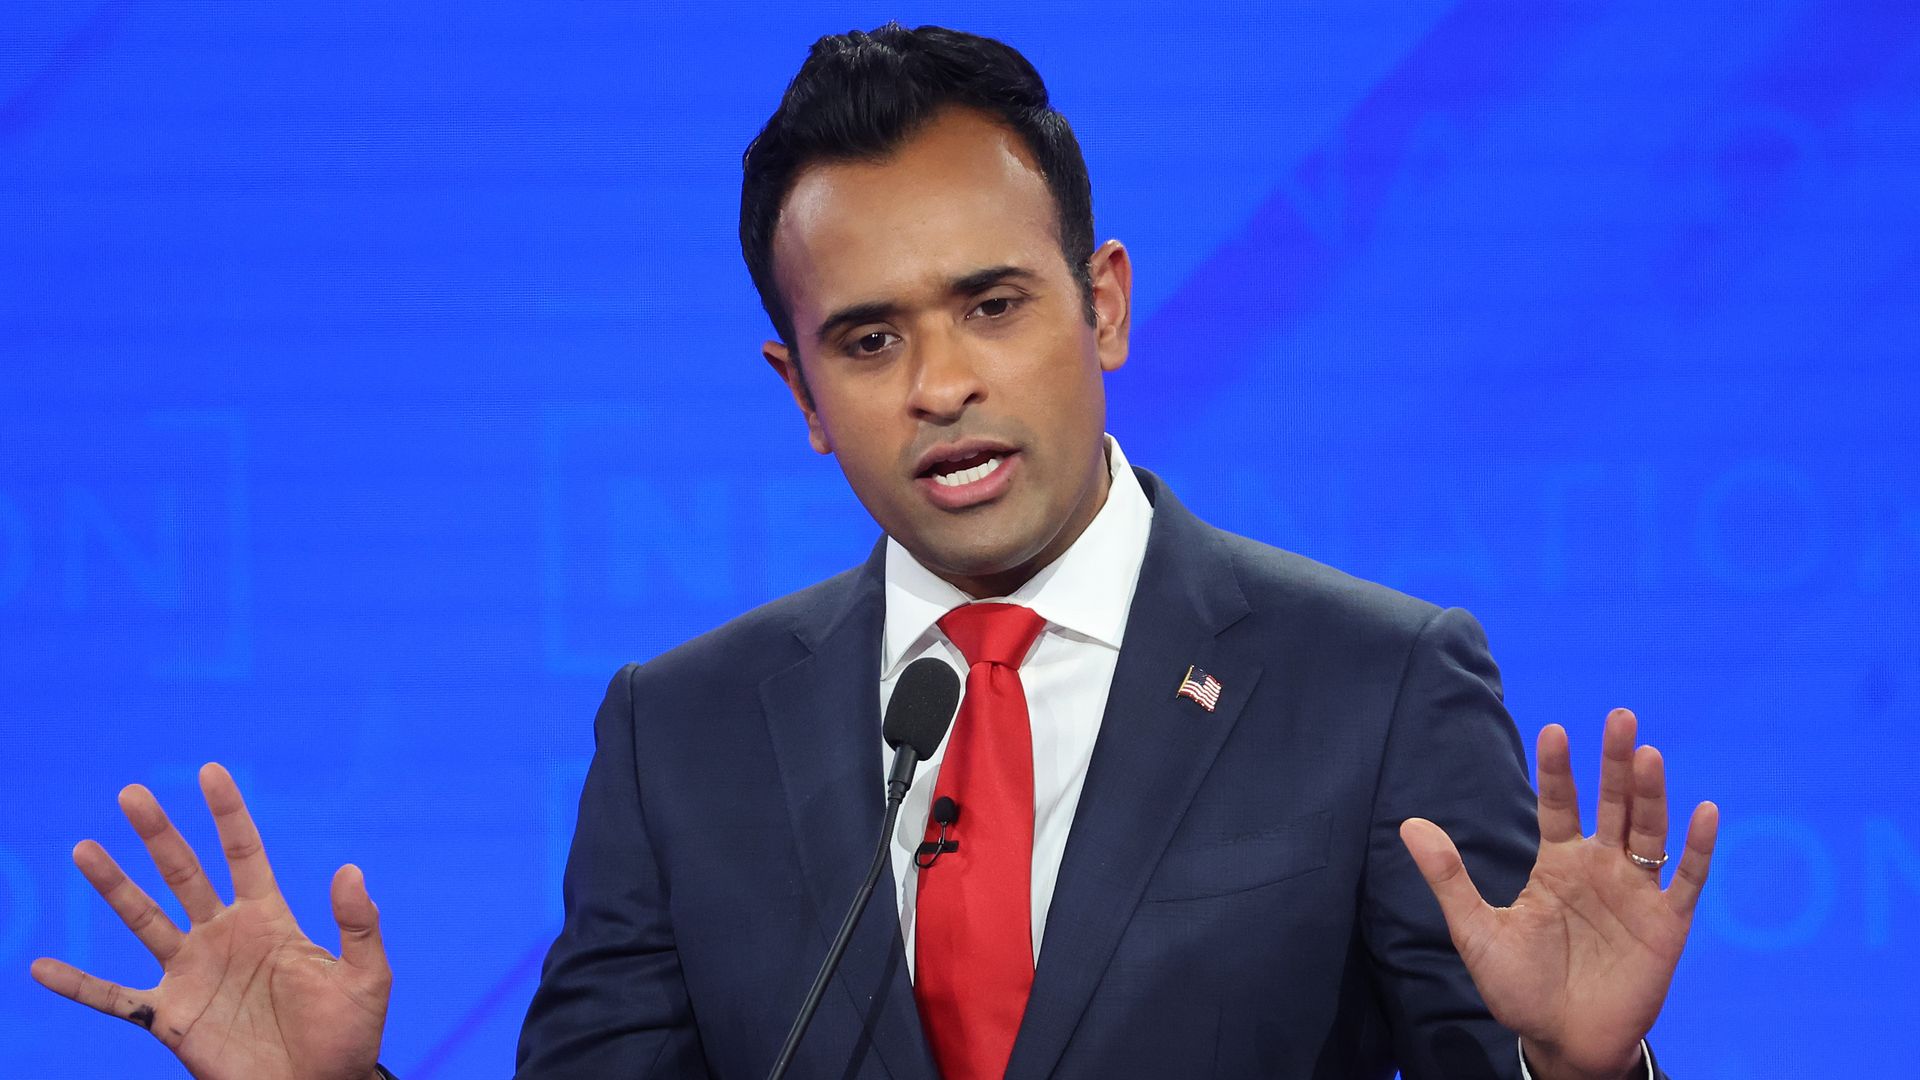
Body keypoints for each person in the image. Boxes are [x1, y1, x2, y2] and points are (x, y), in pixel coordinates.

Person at [31, 23, 1718, 1080]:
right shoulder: (678, 734)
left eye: (994, 303)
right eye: (868, 339)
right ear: (803, 394)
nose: (944, 383)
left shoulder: (1373, 682)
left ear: (1104, 305)